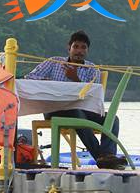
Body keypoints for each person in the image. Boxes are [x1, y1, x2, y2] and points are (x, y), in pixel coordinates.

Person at [26, 30, 125, 169]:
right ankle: (101, 157)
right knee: (77, 113)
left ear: (87, 50)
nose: (79, 51)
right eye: (76, 46)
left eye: (83, 47)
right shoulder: (54, 62)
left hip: (85, 110)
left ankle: (107, 155)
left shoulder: (91, 69)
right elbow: (30, 78)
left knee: (113, 119)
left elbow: (93, 94)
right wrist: (47, 83)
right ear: (69, 48)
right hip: (55, 109)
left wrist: (75, 78)